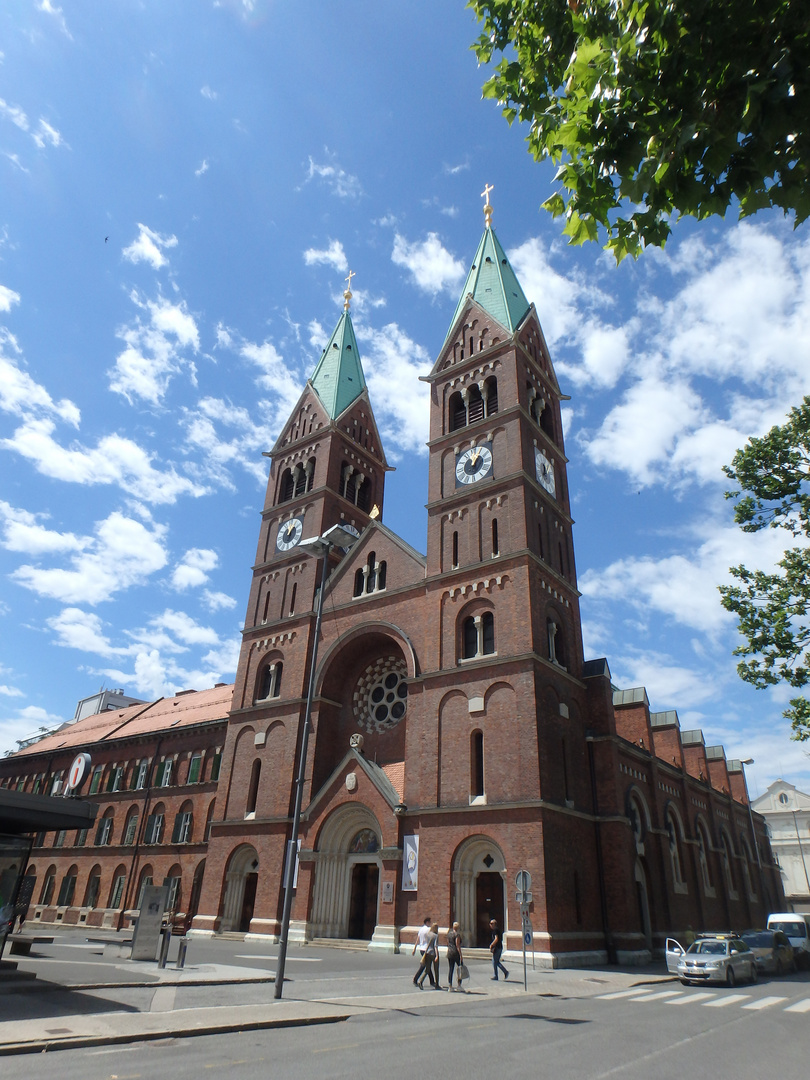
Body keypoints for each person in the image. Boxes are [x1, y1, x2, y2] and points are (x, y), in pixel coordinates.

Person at [414, 922, 440, 988]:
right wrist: (437, 955)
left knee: (427, 969)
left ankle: (421, 981)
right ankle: (437, 985)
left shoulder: (428, 934)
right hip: (433, 953)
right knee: (436, 969)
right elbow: (435, 946)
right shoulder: (436, 935)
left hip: (427, 952)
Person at [446, 921, 463, 991]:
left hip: (449, 952)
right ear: (458, 927)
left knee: (451, 969)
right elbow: (457, 945)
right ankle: (459, 985)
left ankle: (450, 986)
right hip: (455, 953)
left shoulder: (449, 934)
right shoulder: (457, 935)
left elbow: (447, 943)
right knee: (459, 969)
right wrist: (461, 955)